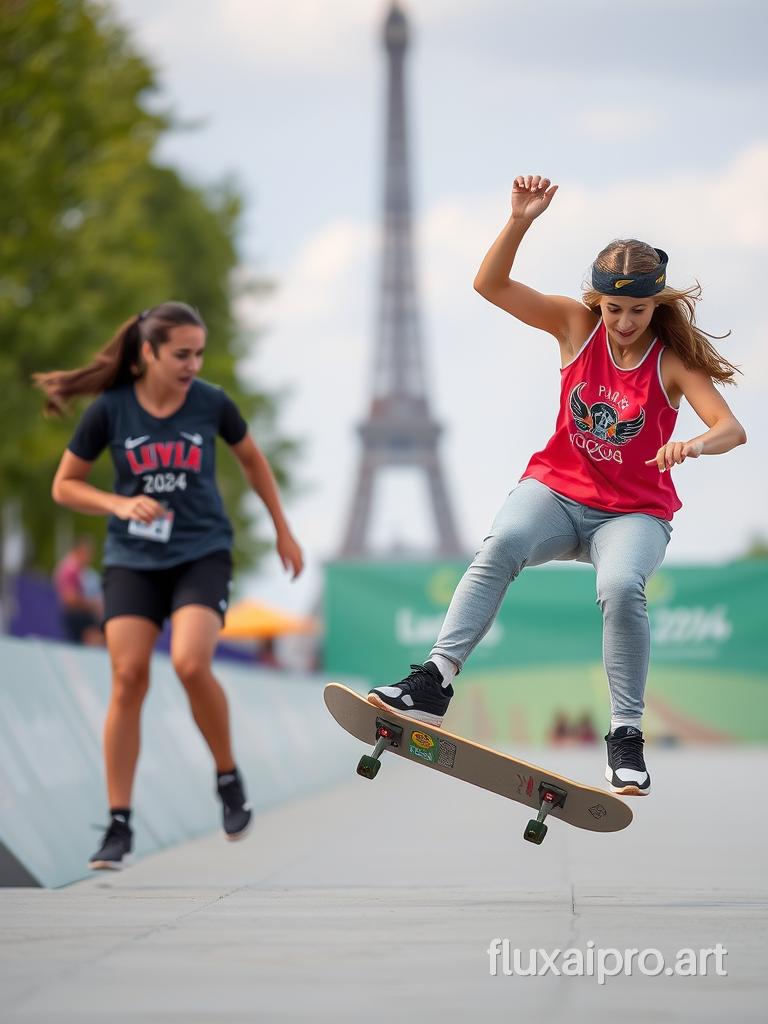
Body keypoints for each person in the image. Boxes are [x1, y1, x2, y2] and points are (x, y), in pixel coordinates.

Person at [368, 175, 747, 797]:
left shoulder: (671, 361)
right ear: (596, 301)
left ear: (658, 306)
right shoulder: (576, 326)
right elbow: (490, 286)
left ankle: (626, 734)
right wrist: (520, 220)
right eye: (613, 308)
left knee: (622, 588)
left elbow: (731, 429)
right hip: (557, 490)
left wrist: (693, 443)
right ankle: (434, 678)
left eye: (637, 310)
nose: (624, 323)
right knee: (497, 547)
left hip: (633, 514)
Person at [34, 301, 304, 869]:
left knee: (188, 662)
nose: (192, 364)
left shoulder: (211, 403)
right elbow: (66, 486)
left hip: (201, 552)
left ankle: (228, 777)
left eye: (198, 353)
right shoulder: (110, 410)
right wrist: (116, 502)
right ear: (148, 353)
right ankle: (118, 824)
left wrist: (283, 529)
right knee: (127, 676)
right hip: (133, 557)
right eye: (181, 354)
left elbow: (253, 461)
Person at [53, 536, 104, 646]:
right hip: (77, 618)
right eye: (87, 553)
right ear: (79, 551)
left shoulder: (82, 571)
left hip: (81, 617)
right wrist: (93, 604)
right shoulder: (70, 569)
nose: (90, 557)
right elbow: (69, 598)